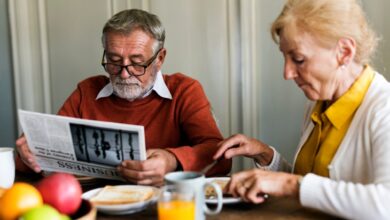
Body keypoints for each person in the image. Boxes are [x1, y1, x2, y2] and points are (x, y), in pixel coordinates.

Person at [214, 0, 390, 219]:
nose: (287, 73)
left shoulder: (384, 108)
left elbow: (385, 204)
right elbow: (311, 187)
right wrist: (267, 156)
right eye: (285, 57)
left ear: (344, 52)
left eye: (298, 59)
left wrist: (290, 184)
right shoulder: (318, 103)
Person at [16, 9, 231, 186]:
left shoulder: (185, 90)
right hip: (95, 204)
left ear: (160, 58)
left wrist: (173, 161)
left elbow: (219, 156)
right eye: (114, 60)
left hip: (166, 206)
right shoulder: (87, 91)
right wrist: (32, 149)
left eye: (137, 62)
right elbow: (44, 155)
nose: (124, 73)